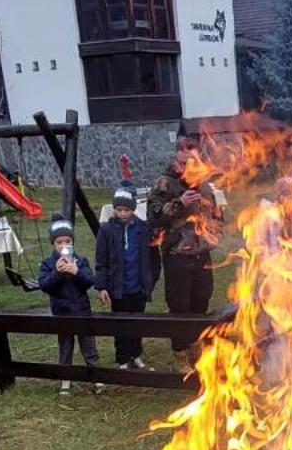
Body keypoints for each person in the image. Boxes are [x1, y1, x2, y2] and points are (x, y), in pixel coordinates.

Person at [147, 133, 224, 363]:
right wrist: (180, 204)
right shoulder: (165, 182)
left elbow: (217, 213)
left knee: (202, 299)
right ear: (176, 160)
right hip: (177, 254)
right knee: (180, 305)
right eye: (182, 162)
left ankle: (195, 347)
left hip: (202, 253)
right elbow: (154, 215)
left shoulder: (204, 185)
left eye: (191, 162)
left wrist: (216, 227)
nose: (186, 167)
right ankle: (180, 352)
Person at [93, 185, 156, 370]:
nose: (122, 213)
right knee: (120, 325)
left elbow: (153, 258)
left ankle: (136, 355)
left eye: (126, 210)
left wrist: (150, 281)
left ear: (133, 209)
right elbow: (101, 260)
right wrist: (102, 286)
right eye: (119, 210)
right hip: (118, 288)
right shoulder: (106, 230)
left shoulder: (143, 229)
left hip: (138, 286)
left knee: (138, 323)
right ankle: (122, 359)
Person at [36, 217, 98, 395]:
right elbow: (45, 286)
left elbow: (89, 281)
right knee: (65, 346)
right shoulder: (48, 263)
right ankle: (65, 379)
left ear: (72, 242)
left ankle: (96, 377)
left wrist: (76, 272)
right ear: (53, 243)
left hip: (82, 311)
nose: (63, 245)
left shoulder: (80, 260)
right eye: (59, 242)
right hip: (62, 313)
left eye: (67, 241)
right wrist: (57, 273)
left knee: (89, 346)